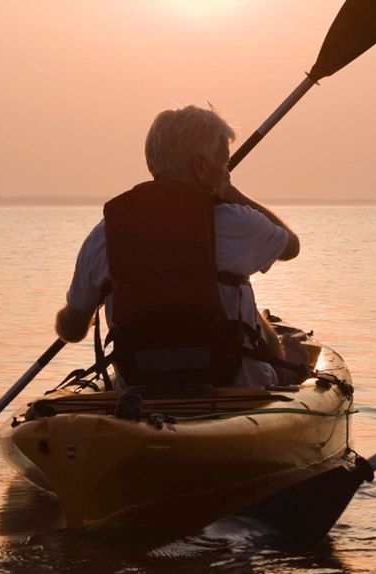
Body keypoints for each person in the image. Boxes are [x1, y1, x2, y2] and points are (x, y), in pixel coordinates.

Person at [54, 104, 305, 389]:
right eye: (224, 163)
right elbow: (291, 246)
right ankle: (287, 372)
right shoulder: (238, 224)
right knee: (269, 329)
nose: (227, 173)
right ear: (201, 167)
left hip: (139, 395)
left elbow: (72, 330)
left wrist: (80, 308)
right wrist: (231, 193)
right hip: (236, 394)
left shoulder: (103, 236)